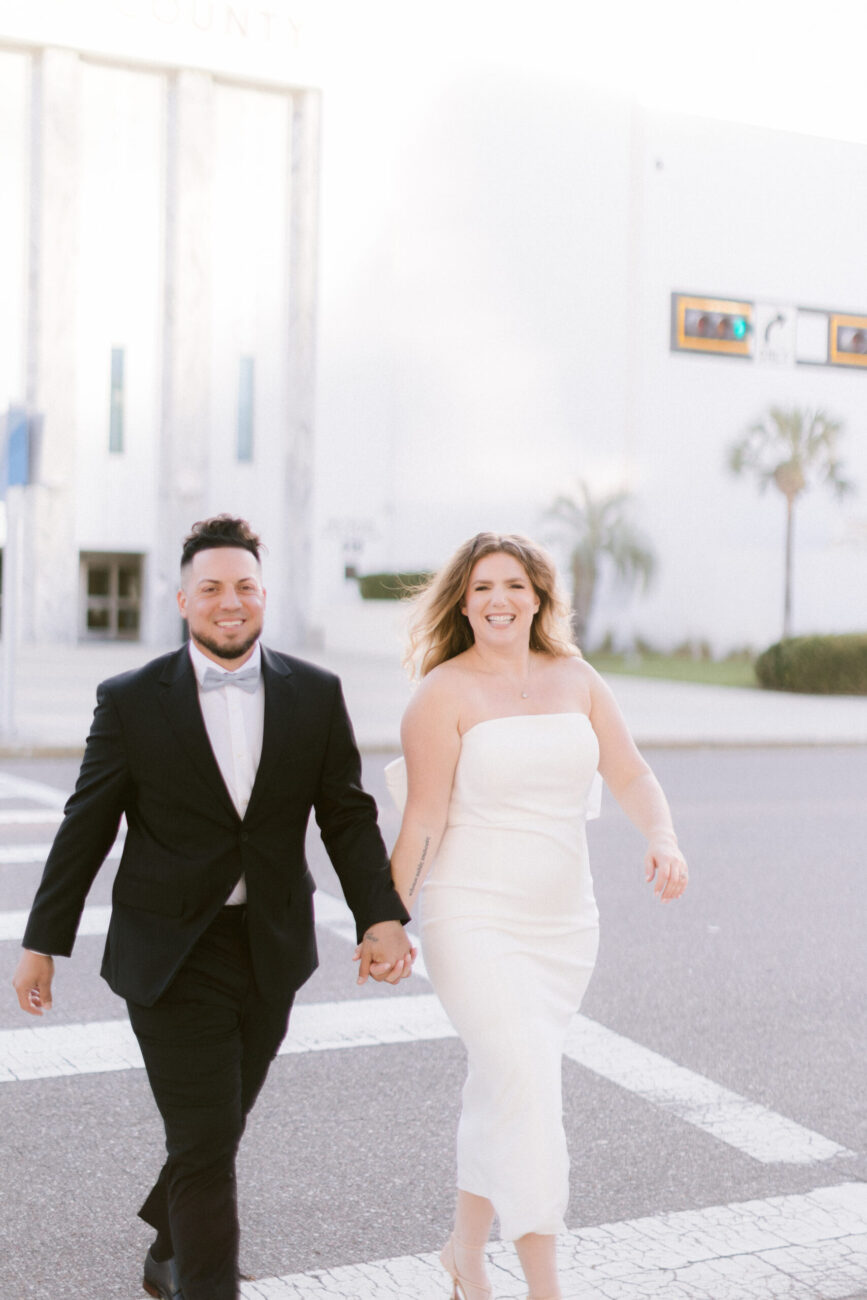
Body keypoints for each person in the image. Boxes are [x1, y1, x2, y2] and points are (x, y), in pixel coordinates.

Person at [12, 514, 414, 1300]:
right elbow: (86, 823)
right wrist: (42, 942)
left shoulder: (315, 694)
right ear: (182, 600)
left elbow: (345, 815)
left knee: (217, 1126)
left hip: (270, 946)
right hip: (170, 953)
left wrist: (381, 916)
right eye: (211, 589)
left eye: (244, 587)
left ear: (263, 594)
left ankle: (169, 1246)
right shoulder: (130, 700)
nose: (229, 602)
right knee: (203, 1141)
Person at [385, 532, 688, 1300]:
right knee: (527, 1083)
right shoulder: (441, 694)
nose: (499, 599)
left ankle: (463, 1252)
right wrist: (387, 919)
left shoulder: (576, 679)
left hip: (562, 924)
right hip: (471, 916)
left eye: (514, 585)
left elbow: (629, 772)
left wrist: (661, 837)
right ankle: (545, 1289)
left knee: (505, 1085)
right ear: (462, 602)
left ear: (539, 597)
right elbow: (422, 820)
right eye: (483, 586)